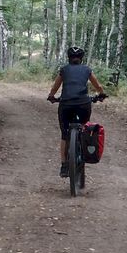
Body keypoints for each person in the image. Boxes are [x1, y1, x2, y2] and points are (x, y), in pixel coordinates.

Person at [47, 45, 105, 177]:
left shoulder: (64, 70)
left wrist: (51, 96)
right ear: (81, 58)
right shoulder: (87, 70)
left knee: (64, 134)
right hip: (84, 104)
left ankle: (64, 165)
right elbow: (98, 85)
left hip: (66, 104)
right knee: (84, 129)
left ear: (69, 58)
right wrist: (101, 94)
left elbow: (55, 86)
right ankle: (82, 151)